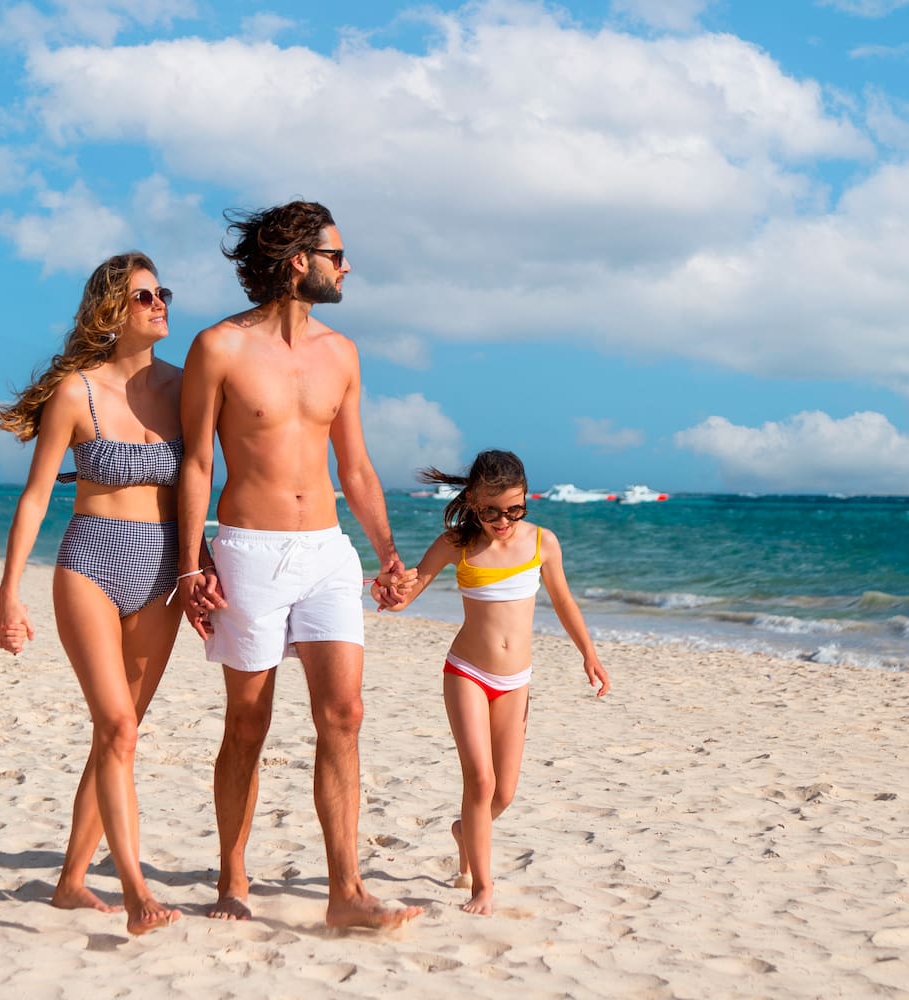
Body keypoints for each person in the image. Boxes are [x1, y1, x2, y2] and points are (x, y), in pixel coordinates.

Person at [173, 200, 423, 928]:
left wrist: (387, 555)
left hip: (326, 551)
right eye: (336, 255)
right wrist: (192, 565)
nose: (346, 267)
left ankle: (346, 891)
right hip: (248, 551)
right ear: (297, 262)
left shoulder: (340, 353)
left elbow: (358, 466)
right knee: (247, 723)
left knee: (343, 714)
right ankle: (232, 875)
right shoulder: (218, 347)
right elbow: (195, 462)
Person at [0, 252, 189, 935]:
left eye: (162, 292)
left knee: (118, 737)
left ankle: (71, 881)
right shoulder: (77, 392)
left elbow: (204, 484)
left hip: (162, 569)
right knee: (119, 726)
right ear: (111, 310)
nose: (160, 303)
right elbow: (38, 496)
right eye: (144, 296)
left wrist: (206, 562)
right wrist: (8, 594)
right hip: (91, 563)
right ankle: (134, 888)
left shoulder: (188, 389)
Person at [377, 449, 611, 915]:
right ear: (472, 502)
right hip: (466, 672)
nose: (502, 520)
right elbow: (411, 590)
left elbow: (564, 602)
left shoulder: (544, 543)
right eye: (490, 511)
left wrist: (589, 653)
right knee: (480, 781)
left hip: (516, 681)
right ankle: (482, 886)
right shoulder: (455, 544)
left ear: (526, 500)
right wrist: (391, 590)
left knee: (504, 792)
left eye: (514, 509)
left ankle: (466, 831)